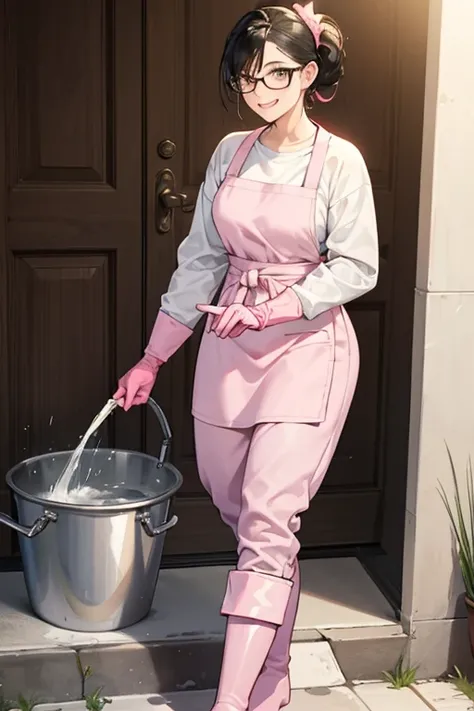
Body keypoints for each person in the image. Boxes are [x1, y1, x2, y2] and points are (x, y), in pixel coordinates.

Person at [114, 3, 379, 710]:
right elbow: (200, 260)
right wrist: (152, 358)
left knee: (267, 525)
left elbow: (358, 266)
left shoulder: (339, 162)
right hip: (228, 351)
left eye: (276, 76)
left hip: (306, 352)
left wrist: (272, 307)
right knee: (243, 517)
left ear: (309, 73)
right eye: (247, 77)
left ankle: (230, 703)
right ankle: (273, 677)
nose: (259, 91)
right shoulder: (229, 153)